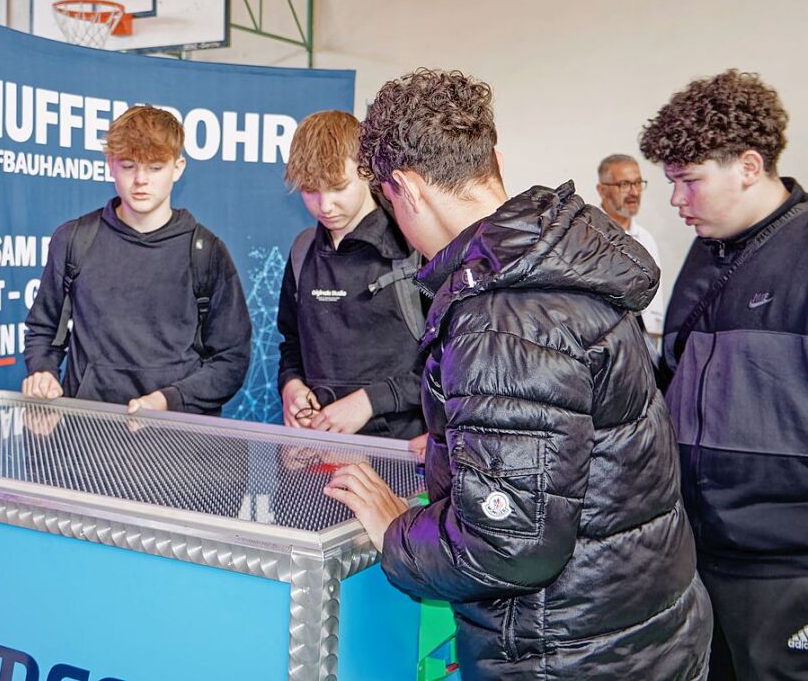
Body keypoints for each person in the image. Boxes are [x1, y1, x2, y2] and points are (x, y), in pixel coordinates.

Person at [324, 69, 711, 680]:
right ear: (493, 159)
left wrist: (398, 531)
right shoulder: (559, 259)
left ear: (406, 189)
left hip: (567, 652)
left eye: (389, 203)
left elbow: (506, 546)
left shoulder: (503, 314)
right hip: (645, 628)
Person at [640, 69, 808, 681]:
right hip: (697, 555)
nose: (677, 202)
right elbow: (671, 383)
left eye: (689, 181)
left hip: (785, 569)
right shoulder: (707, 254)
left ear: (748, 165)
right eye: (672, 183)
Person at [22, 105, 251, 415]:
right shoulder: (74, 240)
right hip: (89, 435)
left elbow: (231, 359)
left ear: (178, 167)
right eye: (128, 166)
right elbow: (45, 329)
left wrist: (169, 400)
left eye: (155, 167)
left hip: (179, 442)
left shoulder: (206, 251)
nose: (141, 179)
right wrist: (43, 372)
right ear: (110, 165)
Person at [277, 110, 426, 451]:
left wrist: (370, 401)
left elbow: (451, 364)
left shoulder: (414, 249)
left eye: (338, 188)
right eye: (310, 190)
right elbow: (291, 343)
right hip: (315, 456)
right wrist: (292, 385)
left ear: (366, 171)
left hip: (398, 458)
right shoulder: (302, 251)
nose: (325, 205)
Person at [595, 153, 665, 355]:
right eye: (624, 184)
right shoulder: (590, 236)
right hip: (608, 345)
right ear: (602, 190)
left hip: (647, 346)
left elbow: (656, 302)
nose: (634, 192)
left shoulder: (646, 238)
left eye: (638, 183)